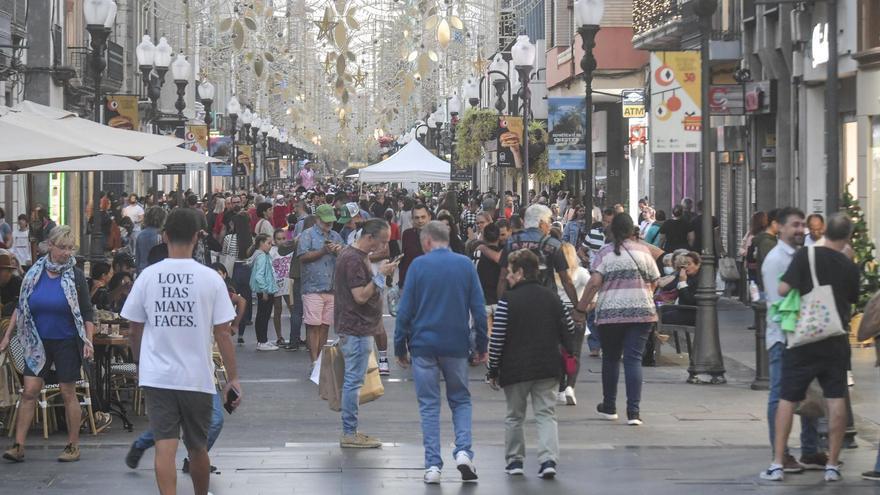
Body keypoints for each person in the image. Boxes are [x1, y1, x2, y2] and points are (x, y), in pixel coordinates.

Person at [120, 208, 240, 495]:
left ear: (165, 236)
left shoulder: (148, 276)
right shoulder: (211, 279)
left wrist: (139, 362)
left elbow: (134, 328)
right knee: (197, 447)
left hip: (158, 375)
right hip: (196, 376)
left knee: (165, 446)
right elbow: (223, 333)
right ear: (198, 238)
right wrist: (233, 379)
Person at [761, 212, 859, 483]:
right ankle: (831, 464)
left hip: (804, 338)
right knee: (836, 398)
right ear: (848, 236)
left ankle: (778, 463)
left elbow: (782, 289)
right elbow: (852, 298)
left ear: (825, 231)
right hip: (836, 338)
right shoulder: (849, 265)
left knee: (787, 398)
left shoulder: (806, 256)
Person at [395, 221, 488, 484]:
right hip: (456, 345)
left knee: (429, 405)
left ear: (426, 242)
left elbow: (404, 311)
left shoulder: (418, 266)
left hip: (423, 345)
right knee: (460, 400)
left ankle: (433, 466)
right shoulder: (465, 265)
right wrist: (482, 345)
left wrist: (400, 345)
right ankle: (463, 451)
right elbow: (479, 311)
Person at [1, 226, 95, 463]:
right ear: (50, 246)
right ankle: (19, 445)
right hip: (37, 341)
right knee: (30, 391)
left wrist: (89, 341)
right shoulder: (35, 273)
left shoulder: (75, 276)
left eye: (69, 248)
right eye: (61, 247)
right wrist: (6, 336)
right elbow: (21, 307)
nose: (66, 252)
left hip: (66, 341)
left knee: (67, 392)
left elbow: (86, 312)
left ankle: (73, 445)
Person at [487, 248, 575, 479]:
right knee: (546, 414)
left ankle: (515, 460)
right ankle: (548, 460)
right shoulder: (553, 298)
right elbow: (569, 330)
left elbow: (497, 337)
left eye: (510, 272)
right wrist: (569, 355)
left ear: (521, 272)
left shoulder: (508, 300)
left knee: (515, 416)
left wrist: (492, 368)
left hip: (515, 368)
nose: (507, 277)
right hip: (548, 366)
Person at [574, 213, 659, 426]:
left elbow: (594, 282)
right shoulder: (644, 251)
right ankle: (634, 412)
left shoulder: (605, 252)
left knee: (611, 358)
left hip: (611, 314)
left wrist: (581, 308)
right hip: (642, 312)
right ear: (632, 230)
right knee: (633, 359)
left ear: (613, 230)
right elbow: (655, 281)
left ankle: (609, 406)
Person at [757, 207, 823, 474]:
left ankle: (809, 450)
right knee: (781, 395)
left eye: (801, 225)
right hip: (784, 337)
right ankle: (780, 453)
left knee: (808, 394)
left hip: (803, 335)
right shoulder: (776, 260)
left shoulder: (798, 254)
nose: (800, 230)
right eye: (795, 225)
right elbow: (780, 302)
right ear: (779, 227)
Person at [335, 219, 397, 448]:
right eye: (382, 242)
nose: (384, 247)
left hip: (357, 326)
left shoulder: (355, 256)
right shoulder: (353, 259)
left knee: (354, 380)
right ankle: (349, 433)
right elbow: (360, 296)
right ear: (370, 237)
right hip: (356, 327)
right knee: (353, 381)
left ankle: (351, 431)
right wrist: (380, 276)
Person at [497, 205, 579, 320]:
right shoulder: (553, 244)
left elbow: (502, 278)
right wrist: (578, 308)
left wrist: (500, 307)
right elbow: (566, 280)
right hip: (546, 303)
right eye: (549, 222)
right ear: (541, 223)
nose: (550, 226)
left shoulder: (511, 242)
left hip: (517, 303)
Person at [297, 204, 345, 365]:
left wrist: (339, 251)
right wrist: (323, 251)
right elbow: (302, 257)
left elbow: (345, 257)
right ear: (317, 219)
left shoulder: (336, 236)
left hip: (331, 287)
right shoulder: (307, 235)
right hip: (312, 287)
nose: (328, 225)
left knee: (324, 326)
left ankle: (321, 362)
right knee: (313, 325)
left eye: (330, 222)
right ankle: (314, 361)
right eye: (325, 222)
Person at [555, 243, 590, 405]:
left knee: (560, 353)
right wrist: (583, 307)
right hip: (576, 314)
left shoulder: (554, 274)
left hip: (558, 314)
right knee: (574, 353)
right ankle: (570, 387)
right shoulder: (582, 273)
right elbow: (593, 290)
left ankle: (560, 389)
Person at [249, 234, 278, 351]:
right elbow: (259, 275)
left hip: (266, 289)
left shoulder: (261, 255)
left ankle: (263, 340)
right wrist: (265, 290)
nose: (270, 246)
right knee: (263, 316)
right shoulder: (262, 257)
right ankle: (262, 341)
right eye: (268, 243)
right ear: (261, 243)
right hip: (265, 290)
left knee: (263, 315)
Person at [398, 204, 430, 288]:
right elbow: (404, 261)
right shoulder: (407, 234)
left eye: (423, 217)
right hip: (410, 285)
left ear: (429, 217)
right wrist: (401, 283)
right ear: (412, 219)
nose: (420, 221)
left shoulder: (438, 236)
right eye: (417, 217)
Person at [270, 229, 293, 347]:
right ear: (274, 240)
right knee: (277, 309)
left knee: (293, 309)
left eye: (284, 238)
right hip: (276, 284)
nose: (281, 241)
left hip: (288, 283)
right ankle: (279, 336)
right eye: (278, 239)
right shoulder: (272, 252)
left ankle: (295, 335)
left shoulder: (290, 250)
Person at [136, 207, 167, 274]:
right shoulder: (162, 235)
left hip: (143, 270)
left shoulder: (141, 235)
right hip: (158, 271)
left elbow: (138, 257)